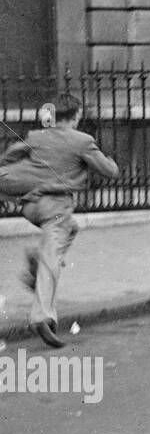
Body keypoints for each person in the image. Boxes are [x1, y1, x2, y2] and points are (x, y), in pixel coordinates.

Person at [1, 94, 119, 349]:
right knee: (52, 256)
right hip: (56, 208)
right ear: (76, 116)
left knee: (70, 230)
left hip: (31, 206)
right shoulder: (83, 141)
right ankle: (42, 315)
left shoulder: (36, 136)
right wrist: (108, 161)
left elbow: (10, 156)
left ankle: (37, 261)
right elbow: (109, 171)